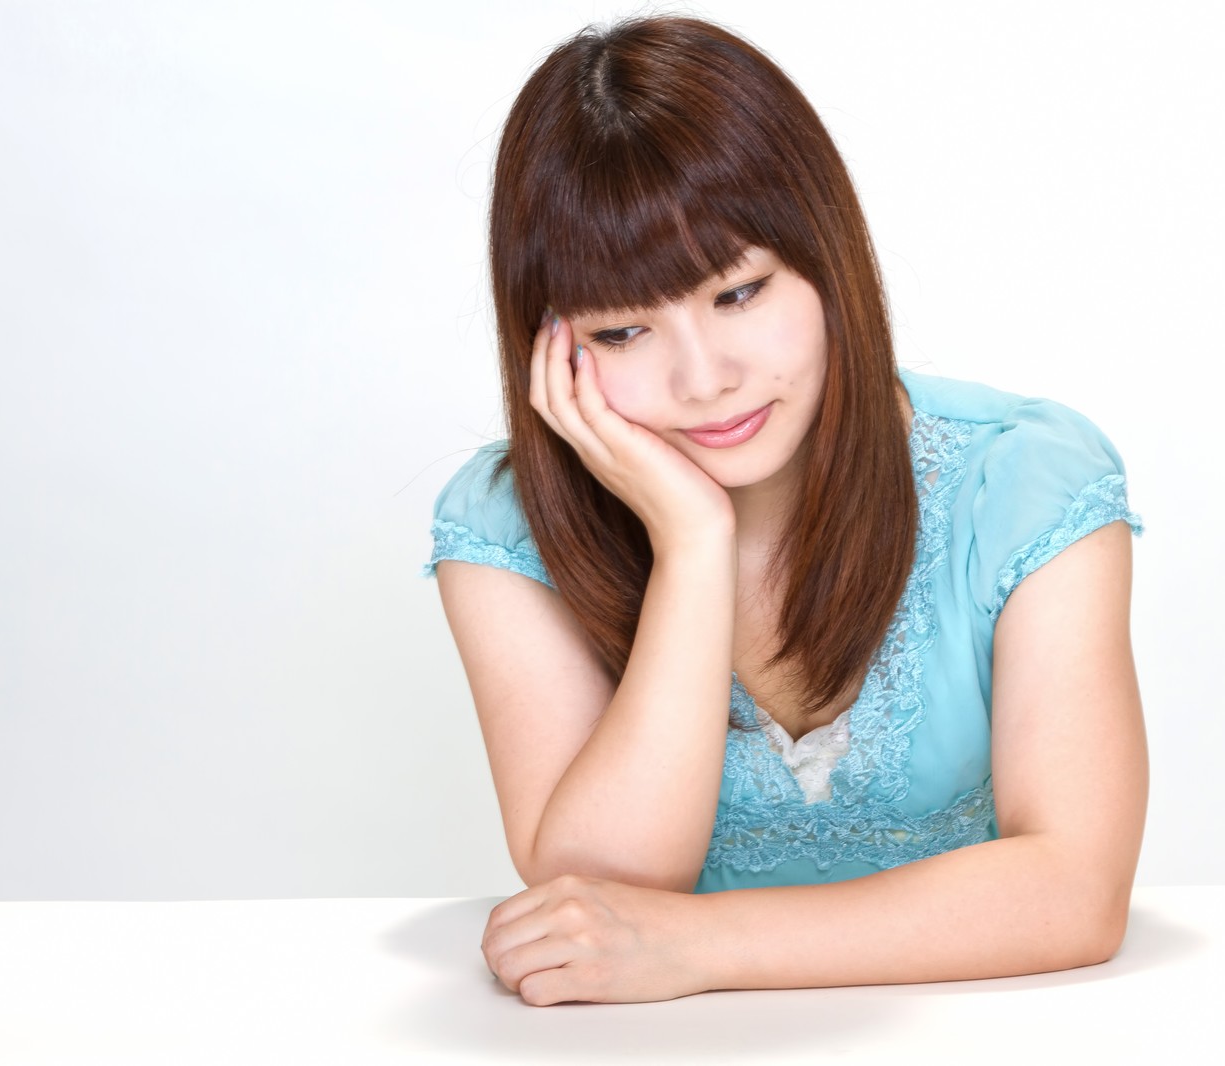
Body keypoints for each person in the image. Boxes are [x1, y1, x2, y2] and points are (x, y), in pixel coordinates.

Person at [423, 15, 1148, 1006]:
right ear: (552, 344)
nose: (703, 379)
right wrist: (692, 544)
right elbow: (599, 899)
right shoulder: (503, 527)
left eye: (739, 293)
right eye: (623, 329)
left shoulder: (1021, 481)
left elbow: (1074, 892)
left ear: (827, 257)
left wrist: (701, 948)